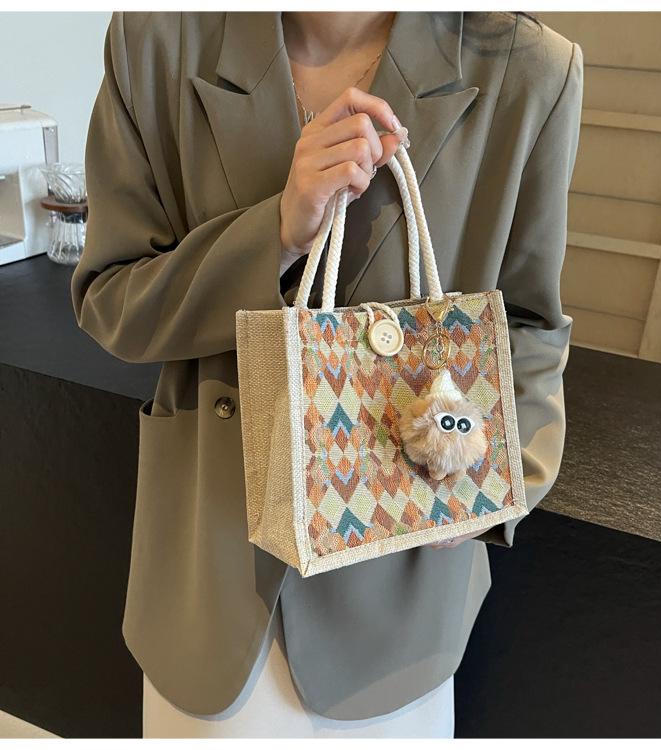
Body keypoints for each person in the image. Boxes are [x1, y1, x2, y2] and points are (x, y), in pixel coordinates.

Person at [71, 10, 583, 738]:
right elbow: (111, 297)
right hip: (209, 579)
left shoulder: (529, 71)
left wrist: (494, 480)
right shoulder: (156, 42)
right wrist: (275, 233)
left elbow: (529, 327)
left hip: (398, 595)